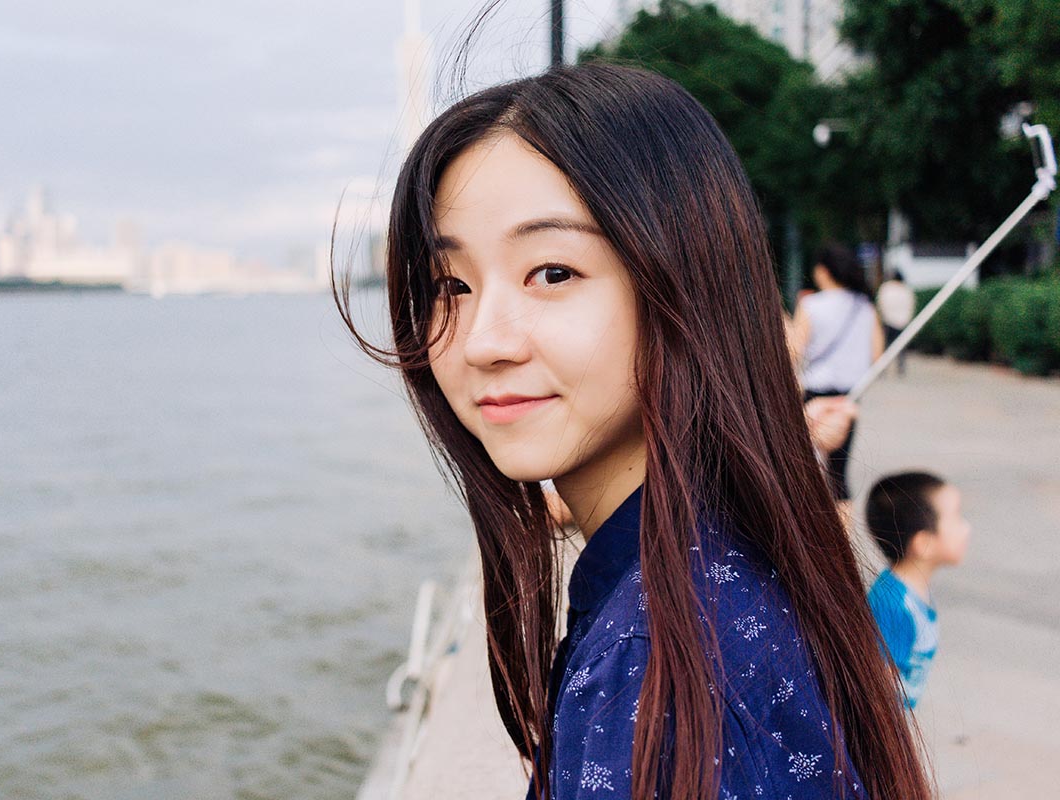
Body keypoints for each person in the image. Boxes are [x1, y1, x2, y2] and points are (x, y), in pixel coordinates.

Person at [337, 65, 928, 800]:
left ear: (684, 283)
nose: (483, 340)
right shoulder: (721, 566)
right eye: (450, 286)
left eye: (552, 272)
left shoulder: (657, 663)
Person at [789, 244, 885, 512]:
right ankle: (842, 541)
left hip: (815, 394)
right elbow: (877, 356)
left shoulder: (811, 304)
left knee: (808, 470)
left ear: (823, 272)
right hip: (849, 397)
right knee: (838, 473)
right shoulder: (864, 306)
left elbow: (795, 351)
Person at [865, 472, 971, 709]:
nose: (966, 528)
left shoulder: (910, 591)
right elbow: (874, 692)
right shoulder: (894, 606)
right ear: (923, 544)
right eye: (956, 519)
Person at [876, 270, 915, 376]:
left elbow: (881, 303)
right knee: (901, 347)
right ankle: (901, 368)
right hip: (903, 321)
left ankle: (882, 369)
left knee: (885, 347)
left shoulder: (886, 288)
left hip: (888, 320)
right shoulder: (906, 289)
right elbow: (911, 305)